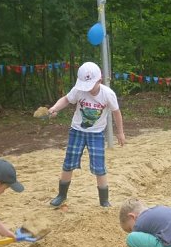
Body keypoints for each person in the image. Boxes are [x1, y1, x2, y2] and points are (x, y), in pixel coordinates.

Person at [47, 62, 125, 208]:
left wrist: (120, 132)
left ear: (99, 81)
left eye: (89, 85)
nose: (86, 89)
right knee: (69, 163)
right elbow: (66, 99)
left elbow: (116, 112)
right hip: (77, 131)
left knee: (99, 167)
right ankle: (61, 195)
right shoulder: (79, 90)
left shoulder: (108, 94)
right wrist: (54, 108)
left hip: (96, 134)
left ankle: (104, 200)